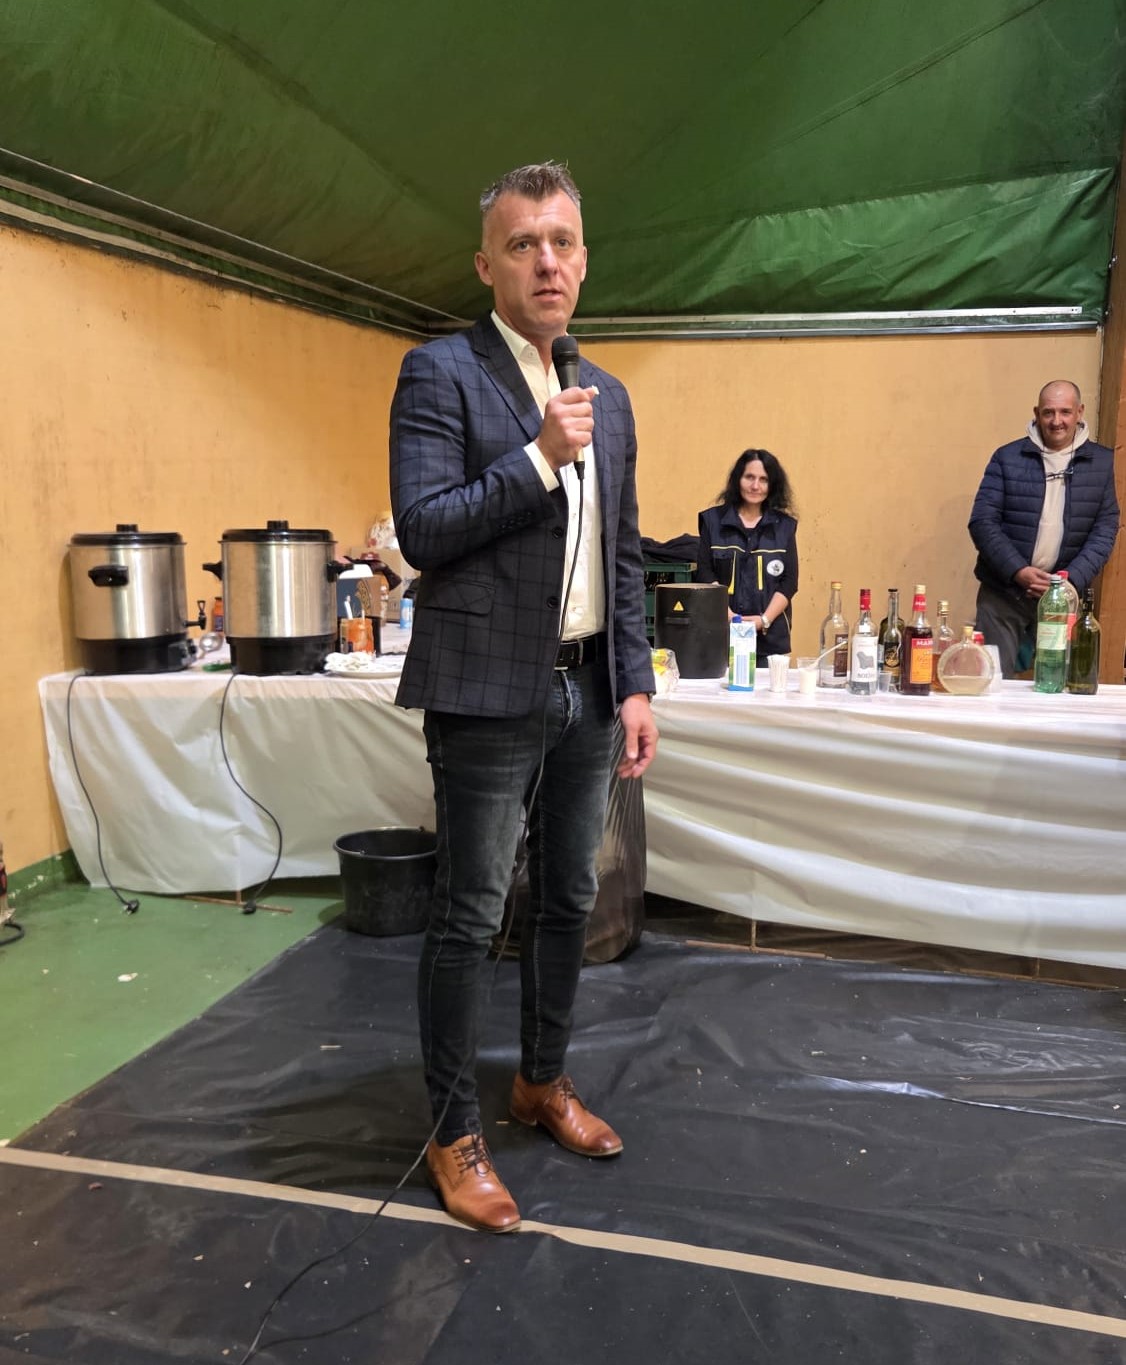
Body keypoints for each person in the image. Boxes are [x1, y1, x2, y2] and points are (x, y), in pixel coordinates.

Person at [389, 163, 658, 1234]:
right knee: (468, 915)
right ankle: (453, 1129)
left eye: (563, 242)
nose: (548, 261)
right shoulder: (439, 372)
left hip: (587, 688)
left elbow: (622, 555)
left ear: (583, 259)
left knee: (567, 900)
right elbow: (423, 529)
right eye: (523, 244)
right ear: (486, 264)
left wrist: (634, 683)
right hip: (485, 688)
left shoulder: (609, 394)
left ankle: (540, 1082)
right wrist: (540, 457)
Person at [968, 380, 1119, 678]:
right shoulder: (1006, 458)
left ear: (1079, 412)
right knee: (991, 683)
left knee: (1057, 685)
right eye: (1048, 412)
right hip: (1003, 593)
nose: (1056, 421)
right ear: (1037, 413)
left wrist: (1068, 580)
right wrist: (1017, 571)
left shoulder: (1103, 463)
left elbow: (1105, 528)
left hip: (1063, 596)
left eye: (1065, 412)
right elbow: (983, 522)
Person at [694, 449, 799, 661]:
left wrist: (764, 620)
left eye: (763, 480)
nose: (755, 486)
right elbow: (705, 572)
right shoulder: (712, 521)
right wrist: (728, 616)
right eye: (749, 477)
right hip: (719, 637)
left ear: (772, 485)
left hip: (770, 640)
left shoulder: (784, 527)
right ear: (737, 479)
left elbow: (789, 582)